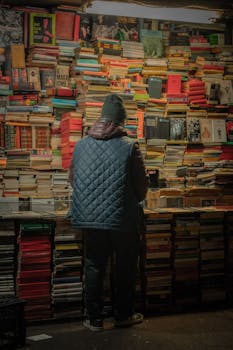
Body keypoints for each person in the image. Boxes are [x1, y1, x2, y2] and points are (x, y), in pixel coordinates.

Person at [69, 93, 149, 332]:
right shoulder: (129, 146)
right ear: (120, 121)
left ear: (101, 118)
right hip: (123, 219)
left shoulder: (81, 145)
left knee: (94, 266)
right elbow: (142, 186)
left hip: (91, 219)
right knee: (124, 267)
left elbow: (73, 180)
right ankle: (123, 315)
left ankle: (94, 320)